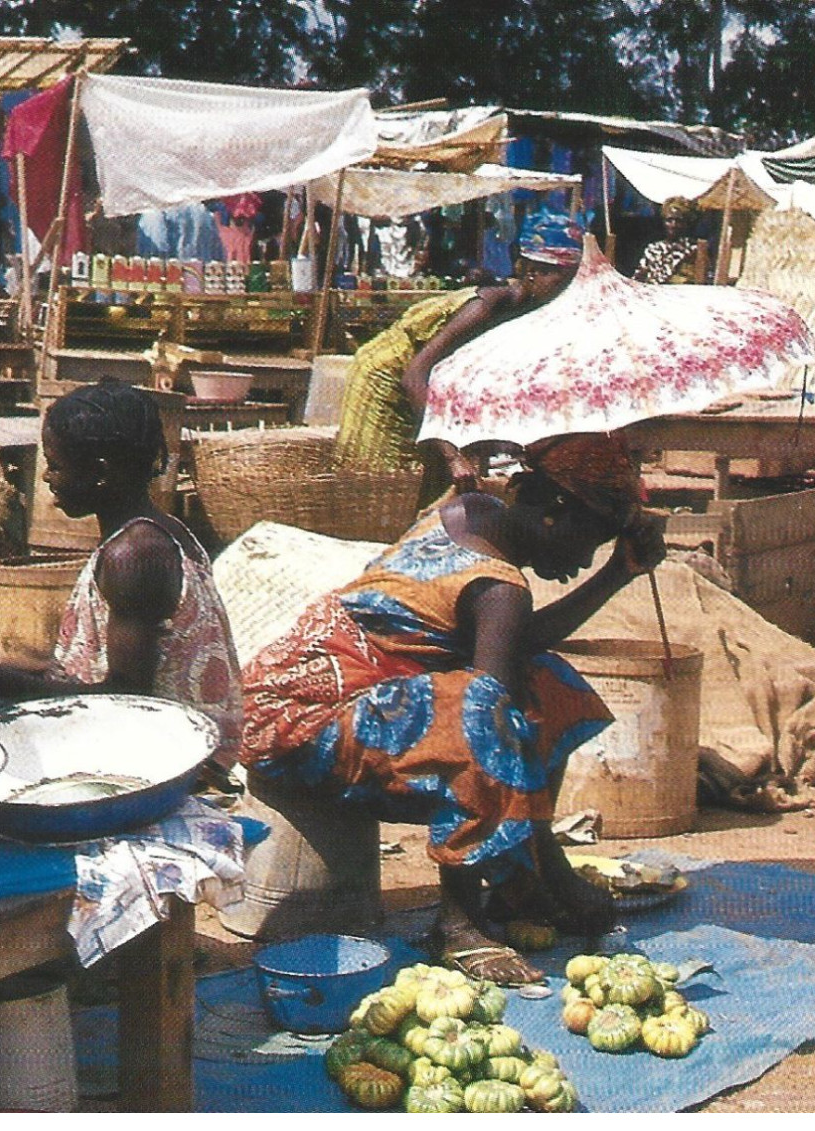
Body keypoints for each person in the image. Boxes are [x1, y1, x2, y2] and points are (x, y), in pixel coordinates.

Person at [239, 433, 665, 985]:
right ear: (557, 513)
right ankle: (460, 922)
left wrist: (620, 569)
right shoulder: (500, 588)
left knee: (550, 684)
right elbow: (489, 717)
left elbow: (514, 645)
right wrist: (559, 877)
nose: (581, 562)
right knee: (481, 712)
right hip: (296, 720)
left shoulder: (471, 509)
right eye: (588, 545)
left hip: (350, 695)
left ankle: (523, 876)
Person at [0, 381, 243, 779]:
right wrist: (15, 668)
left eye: (56, 465)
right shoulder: (156, 531)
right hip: (158, 732)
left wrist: (0, 682)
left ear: (99, 472)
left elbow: (125, 699)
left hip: (178, 762)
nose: (47, 476)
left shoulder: (135, 554)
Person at [332, 210, 584, 502]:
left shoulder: (530, 318)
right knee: (390, 484)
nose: (567, 290)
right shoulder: (486, 307)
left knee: (442, 482)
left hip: (432, 390)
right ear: (533, 271)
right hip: (390, 378)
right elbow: (415, 376)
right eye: (562, 279)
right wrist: (453, 456)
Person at [633, 197, 710, 285]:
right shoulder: (654, 248)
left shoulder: (693, 250)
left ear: (686, 223)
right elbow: (639, 277)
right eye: (669, 220)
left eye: (678, 221)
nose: (673, 225)